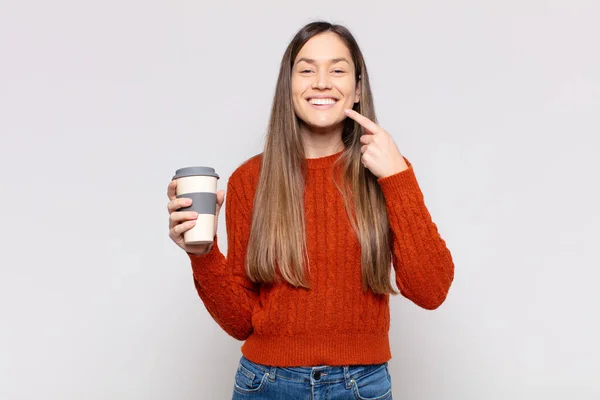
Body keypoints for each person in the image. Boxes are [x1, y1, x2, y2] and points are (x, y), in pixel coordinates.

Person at [167, 20, 454, 400]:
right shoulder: (249, 179)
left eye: (337, 69)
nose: (321, 82)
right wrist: (201, 255)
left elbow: (430, 291)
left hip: (360, 387)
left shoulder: (389, 172)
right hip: (264, 385)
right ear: (288, 88)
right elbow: (240, 322)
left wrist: (397, 177)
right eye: (306, 70)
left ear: (356, 89)